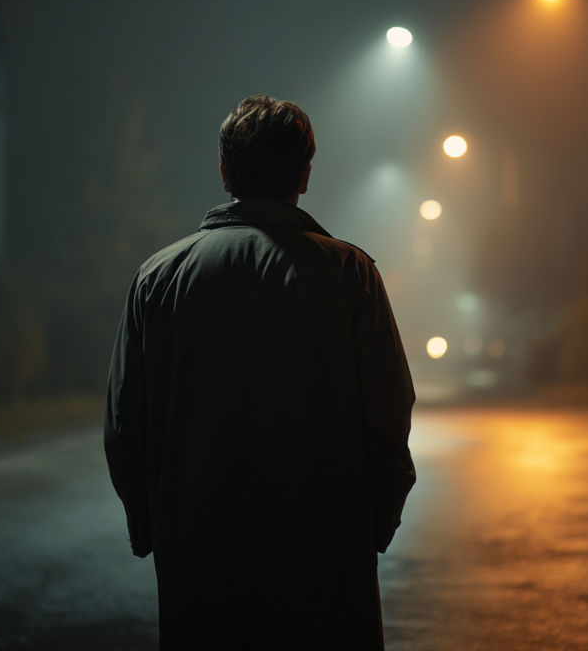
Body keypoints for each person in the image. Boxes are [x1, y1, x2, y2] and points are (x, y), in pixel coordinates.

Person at [104, 94, 417, 650]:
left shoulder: (158, 278)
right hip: (326, 556)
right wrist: (373, 524)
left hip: (199, 557)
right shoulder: (350, 275)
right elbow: (388, 419)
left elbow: (126, 423)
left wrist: (150, 527)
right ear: (305, 175)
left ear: (224, 173)